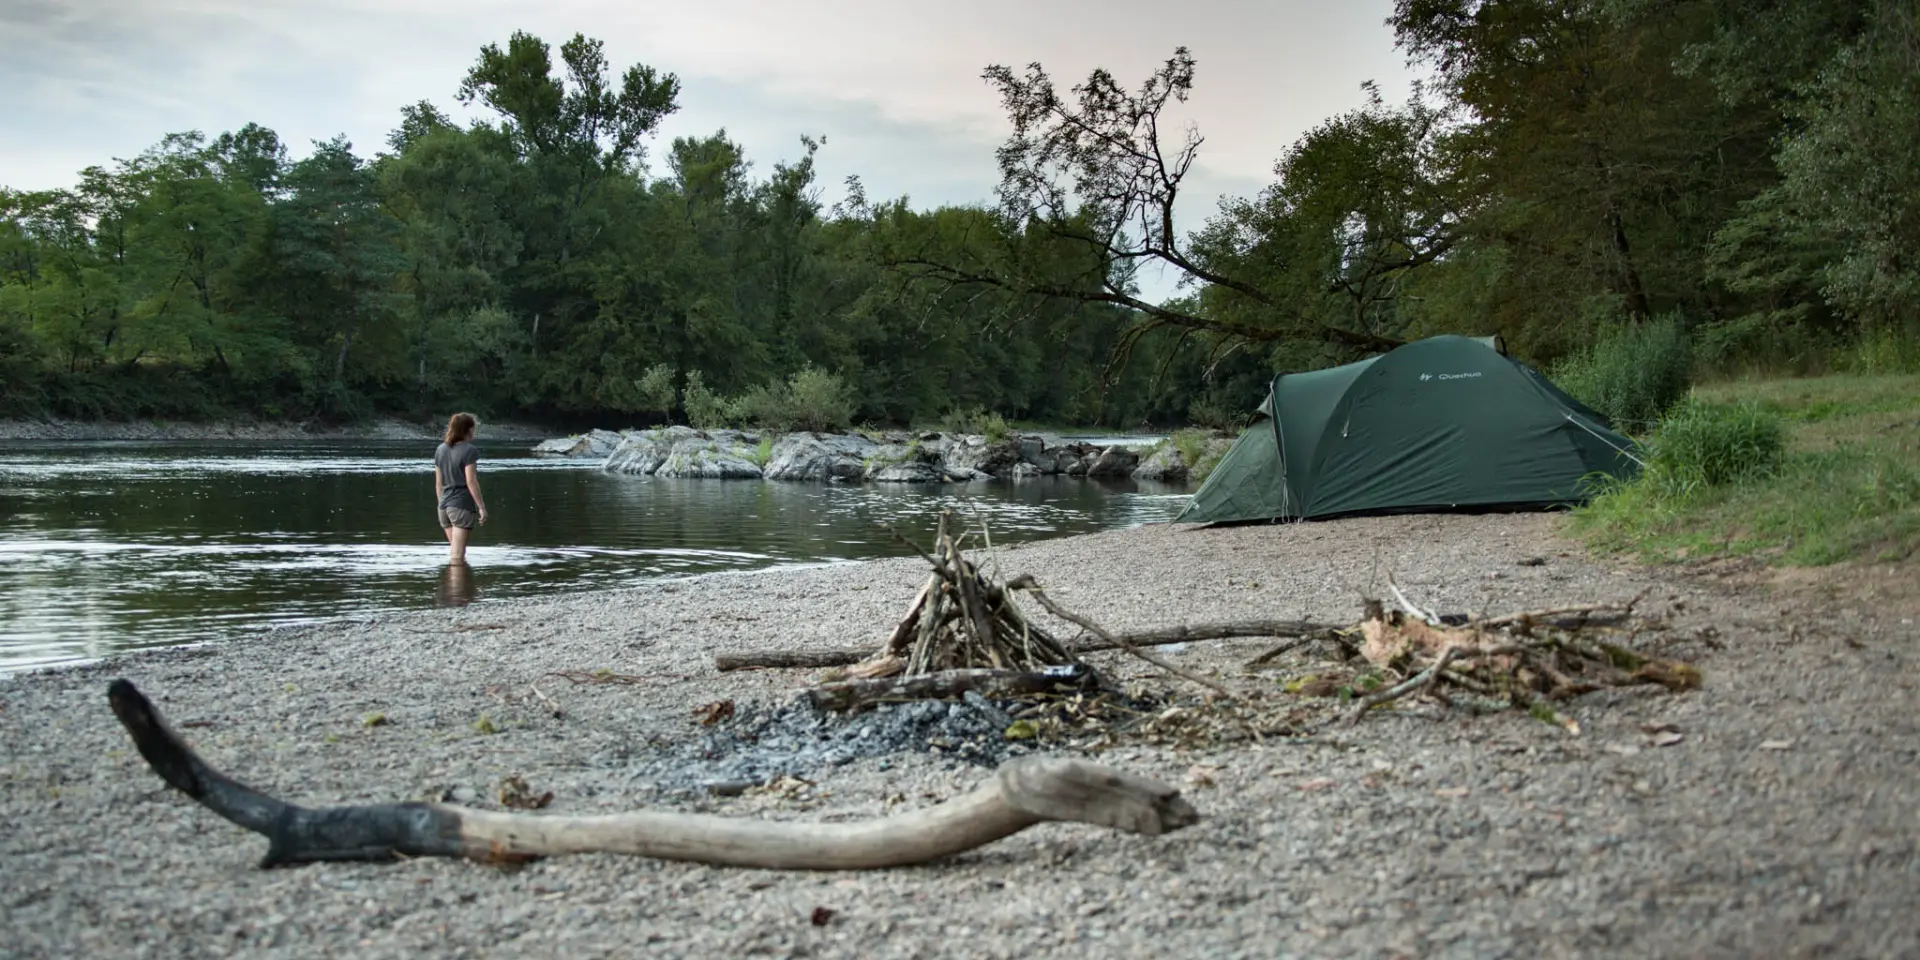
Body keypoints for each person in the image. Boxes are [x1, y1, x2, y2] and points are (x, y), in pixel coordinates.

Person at [432, 412, 488, 563]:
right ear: (468, 430)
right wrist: (481, 507)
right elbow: (471, 481)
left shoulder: (440, 450)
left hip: (443, 507)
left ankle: (453, 586)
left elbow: (438, 482)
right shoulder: (469, 451)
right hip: (461, 506)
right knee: (457, 557)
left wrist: (441, 504)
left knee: (455, 554)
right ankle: (459, 587)